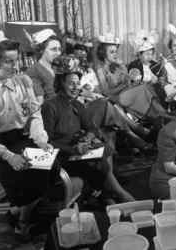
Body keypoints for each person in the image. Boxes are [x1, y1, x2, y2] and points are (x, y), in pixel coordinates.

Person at [0, 32, 83, 235]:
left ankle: (19, 211)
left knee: (51, 163)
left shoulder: (23, 82)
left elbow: (34, 115)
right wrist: (9, 156)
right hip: (1, 146)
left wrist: (42, 140)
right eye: (8, 62)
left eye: (15, 60)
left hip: (19, 137)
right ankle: (23, 219)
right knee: (25, 171)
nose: (14, 66)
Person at [42, 67, 135, 202]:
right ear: (61, 84)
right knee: (99, 164)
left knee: (105, 148)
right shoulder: (50, 106)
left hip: (78, 148)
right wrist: (73, 149)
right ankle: (117, 192)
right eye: (71, 83)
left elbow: (92, 128)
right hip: (61, 155)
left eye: (77, 83)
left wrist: (87, 138)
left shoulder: (77, 104)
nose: (75, 87)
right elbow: (47, 142)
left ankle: (105, 193)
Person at [25, 29, 62, 104]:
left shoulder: (57, 67)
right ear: (41, 50)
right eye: (53, 49)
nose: (58, 53)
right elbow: (39, 103)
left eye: (59, 49)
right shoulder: (33, 71)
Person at [94, 33, 131, 101]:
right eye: (112, 52)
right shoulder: (100, 70)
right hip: (111, 101)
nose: (115, 54)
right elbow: (106, 92)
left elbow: (128, 82)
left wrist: (122, 65)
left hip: (124, 97)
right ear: (103, 53)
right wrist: (123, 86)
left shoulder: (118, 66)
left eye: (116, 52)